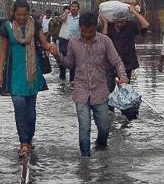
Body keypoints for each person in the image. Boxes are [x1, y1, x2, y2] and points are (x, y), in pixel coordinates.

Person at [50, 12, 128, 157]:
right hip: (81, 93)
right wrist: (57, 55)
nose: (86, 34)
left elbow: (116, 61)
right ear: (80, 28)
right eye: (84, 31)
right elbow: (70, 64)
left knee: (104, 128)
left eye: (90, 31)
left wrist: (123, 76)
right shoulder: (73, 42)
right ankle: (85, 162)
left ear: (95, 28)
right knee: (84, 129)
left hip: (100, 92)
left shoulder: (105, 41)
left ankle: (101, 150)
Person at [0, 0, 52, 156]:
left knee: (31, 111)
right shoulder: (6, 28)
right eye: (19, 14)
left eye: (25, 14)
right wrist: (0, 73)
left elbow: (44, 42)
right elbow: (3, 52)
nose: (22, 17)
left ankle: (29, 139)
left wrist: (52, 48)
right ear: (14, 13)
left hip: (32, 74)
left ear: (29, 13)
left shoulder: (36, 25)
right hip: (14, 73)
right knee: (19, 107)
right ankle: (24, 142)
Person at [101, 4, 150, 119]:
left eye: (122, 22)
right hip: (110, 63)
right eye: (117, 22)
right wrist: (106, 24)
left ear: (125, 21)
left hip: (127, 63)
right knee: (109, 89)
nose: (119, 24)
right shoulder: (110, 26)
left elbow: (145, 25)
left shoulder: (131, 26)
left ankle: (126, 116)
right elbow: (103, 40)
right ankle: (110, 115)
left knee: (125, 89)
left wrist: (135, 13)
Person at [58, 1, 81, 84]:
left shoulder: (80, 18)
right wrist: (65, 12)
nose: (73, 8)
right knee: (62, 58)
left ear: (78, 8)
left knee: (73, 60)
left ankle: (72, 79)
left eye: (75, 7)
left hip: (74, 42)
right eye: (72, 6)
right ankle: (62, 77)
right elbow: (60, 20)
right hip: (63, 40)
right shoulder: (66, 16)